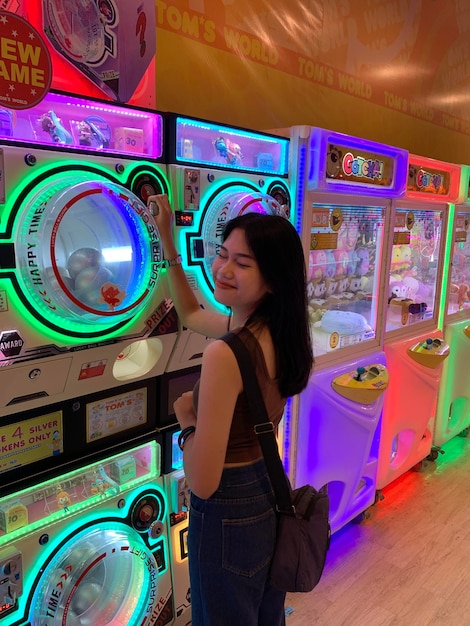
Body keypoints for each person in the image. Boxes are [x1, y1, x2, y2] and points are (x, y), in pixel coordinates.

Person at [148, 194, 313, 626]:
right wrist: (166, 238)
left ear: (272, 278)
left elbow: (202, 482)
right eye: (222, 254)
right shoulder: (276, 332)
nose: (223, 269)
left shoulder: (227, 352)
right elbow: (188, 312)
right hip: (265, 492)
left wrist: (186, 421)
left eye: (243, 263)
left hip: (227, 509)